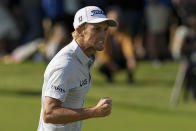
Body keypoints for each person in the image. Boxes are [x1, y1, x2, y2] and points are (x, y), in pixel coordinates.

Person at [37, 6, 118, 131]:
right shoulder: (65, 65)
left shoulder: (86, 57)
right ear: (80, 30)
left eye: (105, 29)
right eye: (96, 29)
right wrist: (94, 112)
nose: (103, 35)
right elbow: (49, 114)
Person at [96, 8, 136, 83]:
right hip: (110, 59)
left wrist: (131, 59)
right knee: (102, 65)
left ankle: (130, 79)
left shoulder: (125, 32)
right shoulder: (103, 35)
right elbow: (102, 54)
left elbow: (128, 49)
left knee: (132, 60)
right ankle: (109, 78)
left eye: (117, 19)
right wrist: (111, 65)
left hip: (121, 58)